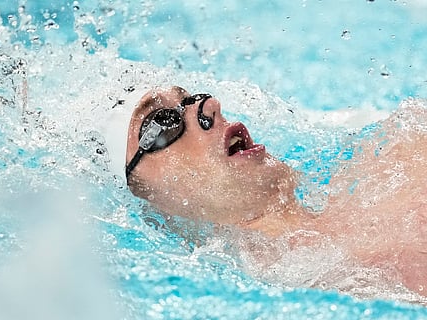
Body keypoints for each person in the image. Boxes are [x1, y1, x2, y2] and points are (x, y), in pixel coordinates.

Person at [114, 86, 427, 299]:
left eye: (194, 97)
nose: (208, 106)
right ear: (146, 203)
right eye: (162, 123)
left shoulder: (395, 153)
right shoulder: (307, 296)